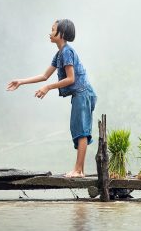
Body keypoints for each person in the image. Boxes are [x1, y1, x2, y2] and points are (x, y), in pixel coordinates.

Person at [7, 19, 97, 178]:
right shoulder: (60, 53)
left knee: (81, 130)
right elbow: (44, 76)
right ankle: (79, 170)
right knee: (78, 129)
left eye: (53, 30)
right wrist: (21, 81)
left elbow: (71, 79)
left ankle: (78, 170)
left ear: (61, 34)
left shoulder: (67, 52)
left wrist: (48, 87)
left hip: (83, 92)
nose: (50, 33)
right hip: (80, 94)